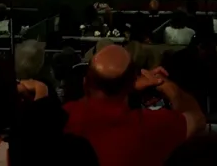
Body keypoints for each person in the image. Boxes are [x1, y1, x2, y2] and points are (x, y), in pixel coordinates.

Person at [65, 44, 204, 165]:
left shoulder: (63, 117)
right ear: (130, 83)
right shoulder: (151, 125)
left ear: (85, 83)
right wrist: (168, 87)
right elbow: (197, 119)